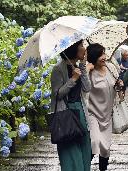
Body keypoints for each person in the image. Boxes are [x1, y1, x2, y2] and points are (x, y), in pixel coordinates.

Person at [50, 39, 93, 171]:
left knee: (85, 150)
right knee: (71, 152)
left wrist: (83, 68)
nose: (84, 48)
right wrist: (73, 79)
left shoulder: (79, 67)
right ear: (72, 48)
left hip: (80, 111)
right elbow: (57, 95)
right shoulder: (58, 69)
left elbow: (87, 88)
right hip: (66, 114)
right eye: (81, 45)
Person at [85, 43, 121, 171]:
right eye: (100, 55)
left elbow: (116, 85)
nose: (104, 57)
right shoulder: (89, 72)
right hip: (93, 113)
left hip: (107, 113)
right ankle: (84, 167)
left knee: (105, 148)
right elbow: (85, 89)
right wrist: (86, 71)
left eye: (104, 53)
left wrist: (119, 85)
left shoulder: (110, 67)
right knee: (94, 142)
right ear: (93, 57)